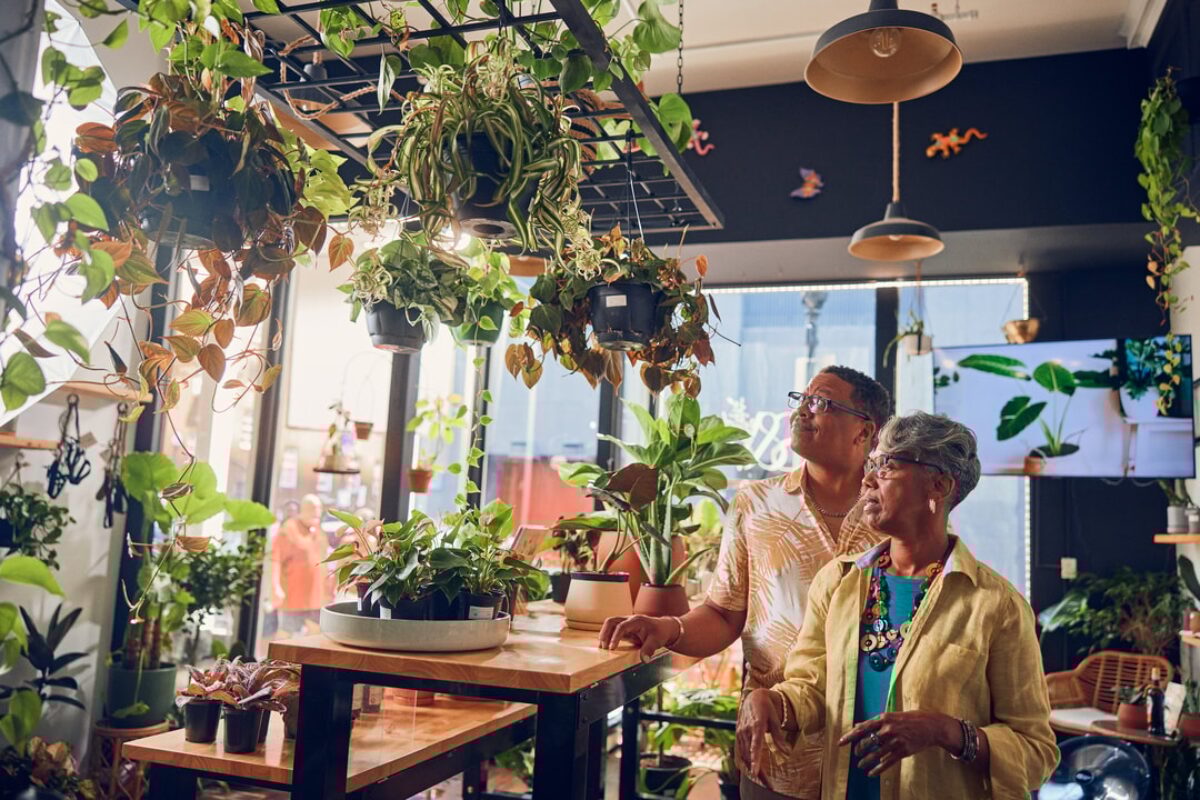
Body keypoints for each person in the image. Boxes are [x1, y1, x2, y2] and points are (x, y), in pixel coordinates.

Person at [600, 366, 891, 800]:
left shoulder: (893, 511)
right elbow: (723, 613)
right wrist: (669, 628)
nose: (800, 412)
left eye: (821, 402)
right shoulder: (757, 503)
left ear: (864, 432)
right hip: (775, 749)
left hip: (877, 751)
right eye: (801, 398)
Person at [737, 412, 1058, 799]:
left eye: (887, 465)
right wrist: (771, 701)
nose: (868, 479)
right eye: (871, 463)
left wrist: (946, 732)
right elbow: (813, 686)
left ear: (938, 485)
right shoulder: (840, 582)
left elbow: (1037, 751)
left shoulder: (996, 606)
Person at [270, 494, 329, 635]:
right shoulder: (289, 529)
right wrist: (275, 586)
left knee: (316, 637)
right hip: (293, 598)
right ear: (304, 509)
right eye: (314, 508)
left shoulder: (318, 532)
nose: (318, 512)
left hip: (316, 598)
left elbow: (323, 561)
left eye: (319, 508)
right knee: (288, 637)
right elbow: (275, 559)